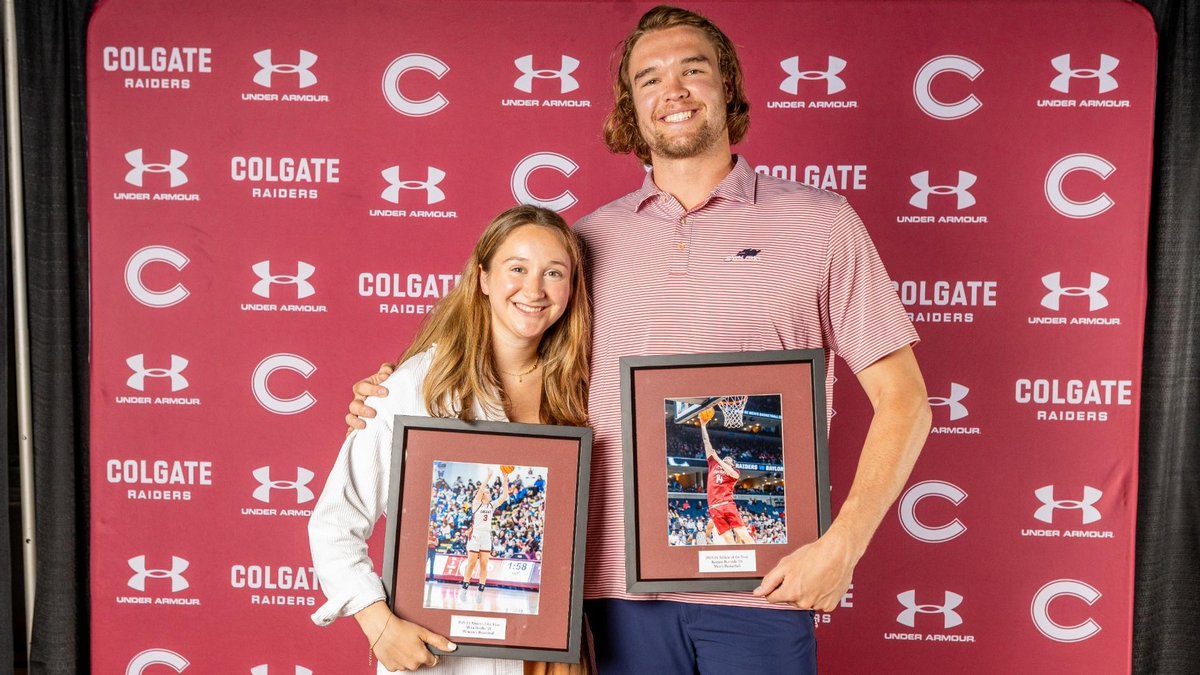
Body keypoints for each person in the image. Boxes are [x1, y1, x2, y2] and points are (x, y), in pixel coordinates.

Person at [349, 6, 930, 673]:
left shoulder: (822, 224)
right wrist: (395, 393)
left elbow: (905, 400)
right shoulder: (587, 243)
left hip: (767, 589)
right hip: (614, 595)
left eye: (693, 70)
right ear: (631, 107)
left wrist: (844, 543)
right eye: (650, 78)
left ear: (727, 85)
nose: (673, 90)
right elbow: (510, 362)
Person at [309, 204, 590, 674]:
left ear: (571, 287)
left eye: (554, 273)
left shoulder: (585, 386)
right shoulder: (418, 385)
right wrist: (378, 624)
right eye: (517, 268)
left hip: (552, 653)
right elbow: (335, 522)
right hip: (449, 657)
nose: (534, 289)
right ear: (482, 277)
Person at [699, 409, 753, 545]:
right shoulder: (713, 464)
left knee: (744, 536)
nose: (728, 457)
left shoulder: (735, 472)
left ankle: (758, 557)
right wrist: (703, 425)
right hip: (714, 507)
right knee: (729, 542)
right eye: (726, 456)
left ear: (733, 464)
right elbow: (706, 443)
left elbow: (730, 472)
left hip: (727, 505)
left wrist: (718, 457)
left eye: (730, 458)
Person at [459, 468, 511, 592]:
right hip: (476, 535)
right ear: (482, 495)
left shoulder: (492, 505)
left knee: (484, 563)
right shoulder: (476, 504)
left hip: (486, 536)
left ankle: (482, 586)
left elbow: (504, 496)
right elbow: (480, 489)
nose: (489, 493)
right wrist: (488, 477)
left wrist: (504, 479)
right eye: (486, 492)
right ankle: (466, 583)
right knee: (471, 563)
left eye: (488, 492)